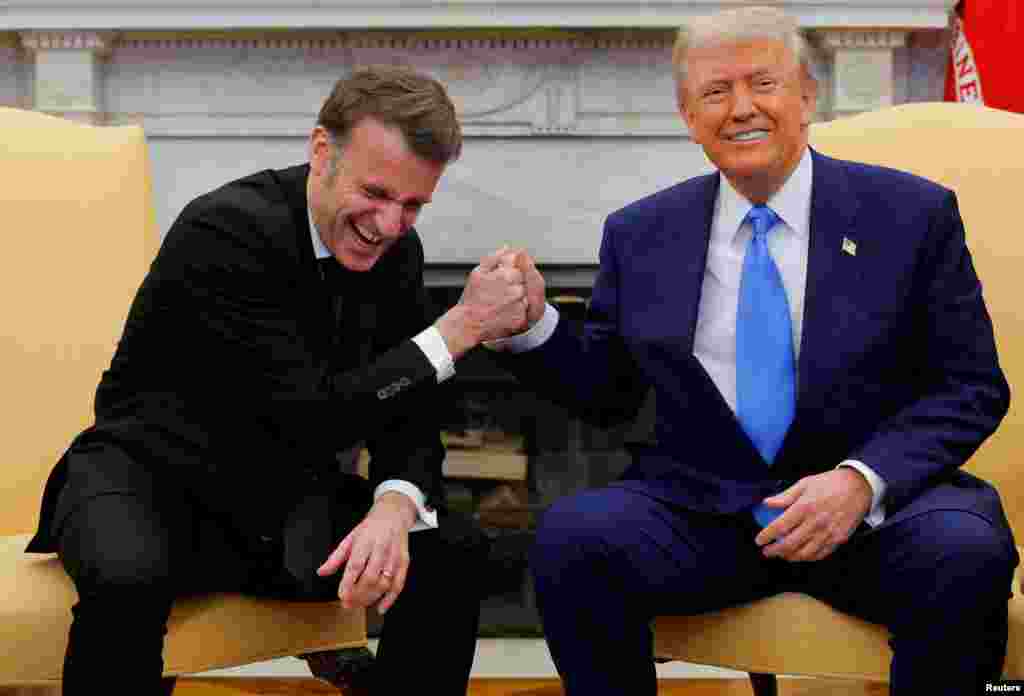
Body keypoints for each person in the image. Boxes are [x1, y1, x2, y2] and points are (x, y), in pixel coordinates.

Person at [490, 7, 1019, 695]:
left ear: (806, 95)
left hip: (874, 515)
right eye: (715, 92)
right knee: (572, 536)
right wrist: (531, 327)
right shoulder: (641, 232)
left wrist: (860, 481)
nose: (742, 108)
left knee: (965, 551)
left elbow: (970, 386)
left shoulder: (911, 215)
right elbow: (612, 389)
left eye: (763, 83)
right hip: (710, 515)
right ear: (688, 114)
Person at [26, 65, 529, 695]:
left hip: (275, 501)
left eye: (413, 204)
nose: (391, 224)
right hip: (146, 478)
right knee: (129, 578)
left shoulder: (397, 250)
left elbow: (411, 409)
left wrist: (395, 503)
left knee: (449, 552)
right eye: (375, 193)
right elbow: (307, 415)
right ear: (322, 151)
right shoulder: (224, 229)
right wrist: (457, 329)